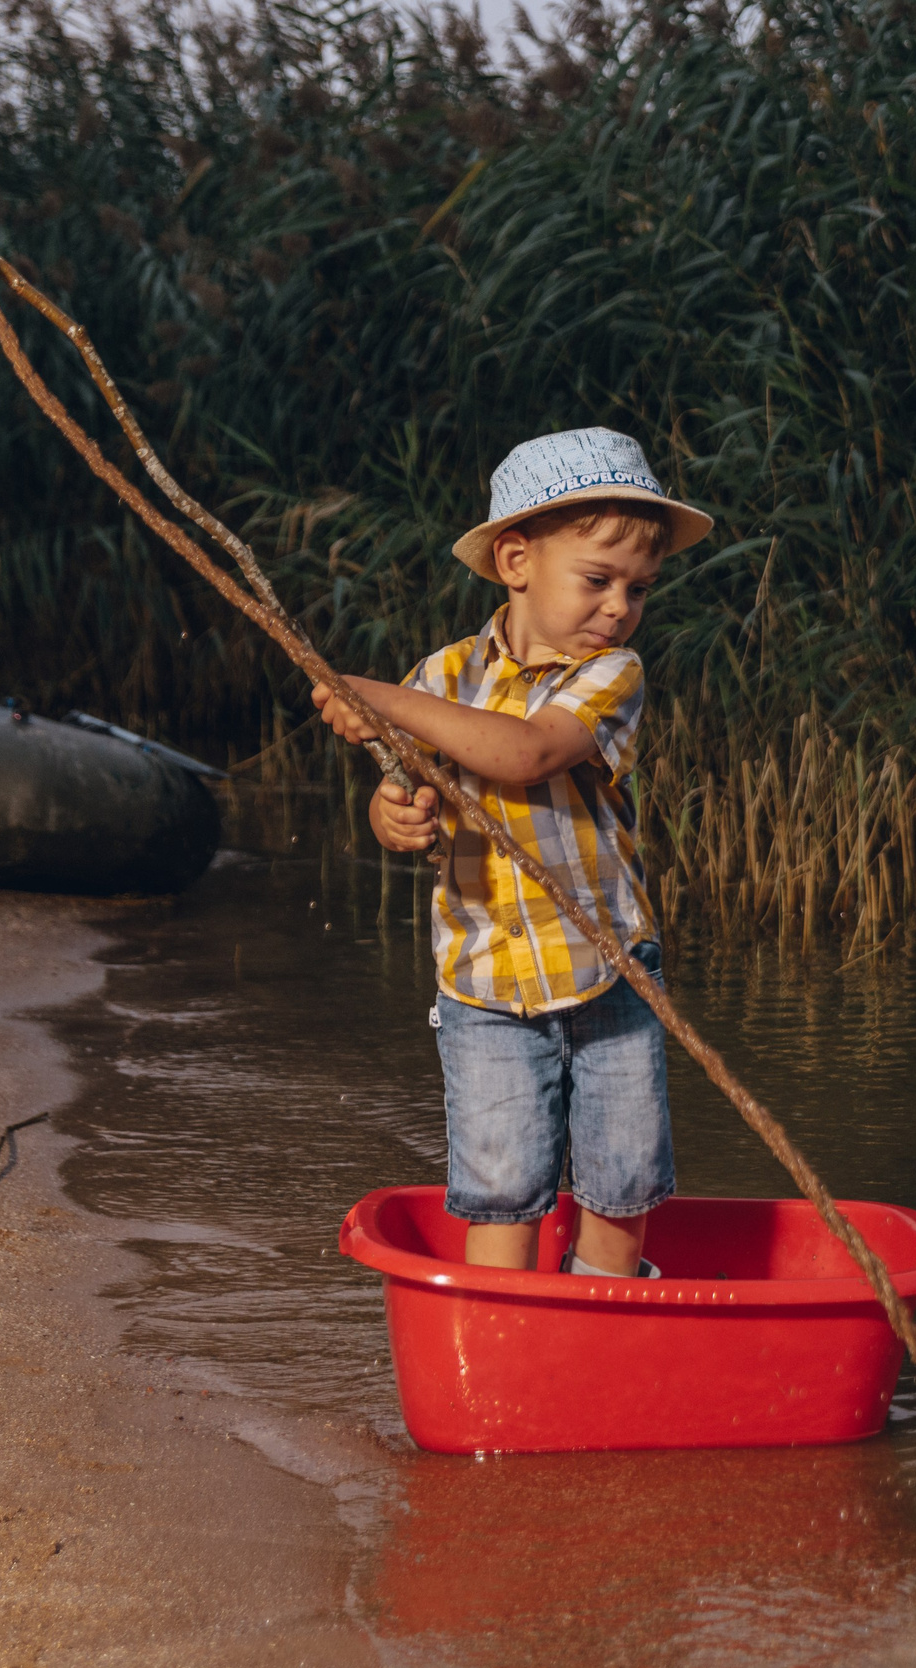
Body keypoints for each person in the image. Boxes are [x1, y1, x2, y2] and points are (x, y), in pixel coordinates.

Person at [313, 427, 712, 1277]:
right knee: (501, 1184)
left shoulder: (612, 676)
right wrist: (395, 810)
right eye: (598, 580)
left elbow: (525, 752)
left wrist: (377, 695)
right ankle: (503, 1347)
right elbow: (406, 789)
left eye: (639, 589)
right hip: (485, 982)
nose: (619, 607)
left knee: (623, 1177)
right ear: (517, 561)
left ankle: (607, 1329)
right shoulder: (445, 675)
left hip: (609, 972)